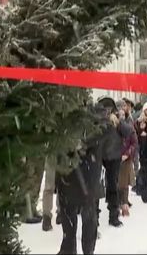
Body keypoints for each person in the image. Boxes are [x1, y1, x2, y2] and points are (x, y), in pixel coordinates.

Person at [57, 101, 106, 255]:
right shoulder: (62, 111)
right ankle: (68, 248)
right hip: (67, 172)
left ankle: (88, 250)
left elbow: (102, 129)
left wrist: (81, 143)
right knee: (67, 212)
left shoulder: (94, 111)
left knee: (89, 215)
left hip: (88, 174)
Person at [99, 97, 131, 228]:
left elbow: (128, 132)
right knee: (97, 188)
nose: (107, 111)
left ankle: (114, 215)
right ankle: (94, 217)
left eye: (109, 108)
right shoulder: (97, 119)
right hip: (99, 156)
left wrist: (118, 121)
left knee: (113, 185)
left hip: (114, 157)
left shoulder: (116, 119)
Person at [117, 108, 138, 218]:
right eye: (118, 114)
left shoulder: (130, 128)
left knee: (124, 183)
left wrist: (127, 153)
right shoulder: (113, 127)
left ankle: (124, 204)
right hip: (114, 159)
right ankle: (117, 203)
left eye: (122, 114)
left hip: (126, 159)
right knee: (116, 183)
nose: (120, 116)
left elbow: (134, 143)